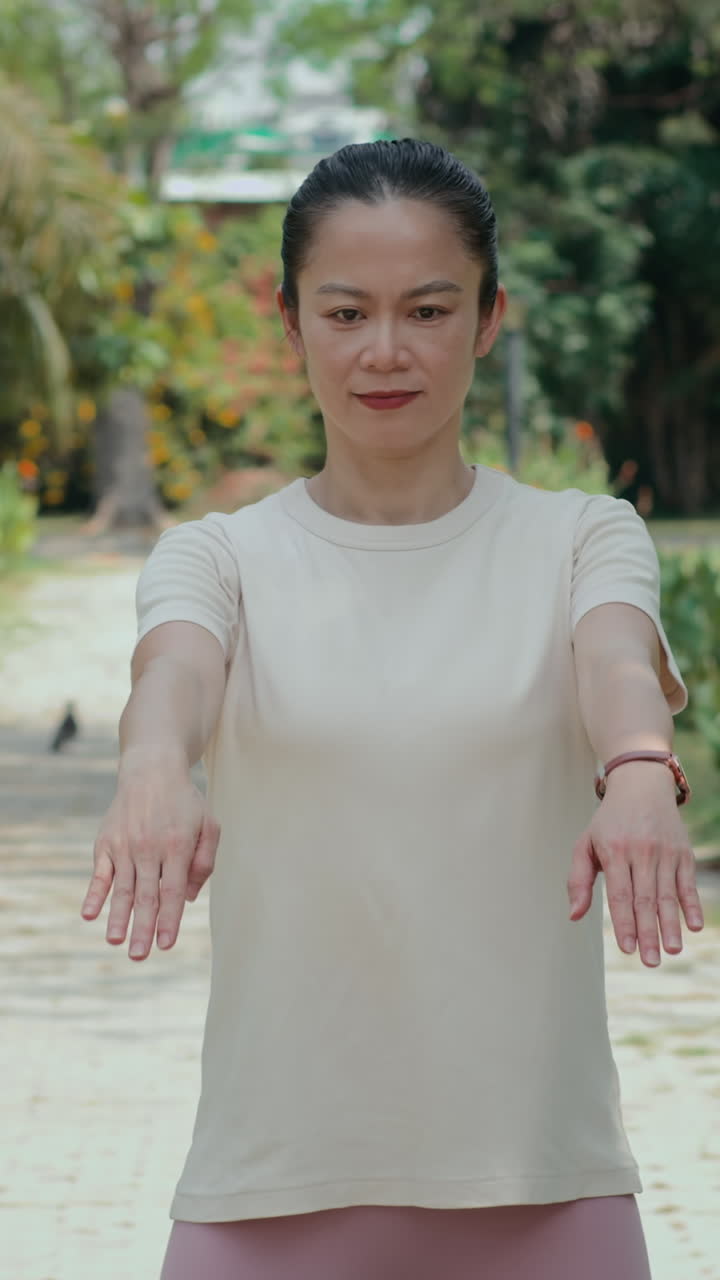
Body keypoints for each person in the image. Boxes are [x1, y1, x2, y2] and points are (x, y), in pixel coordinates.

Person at [81, 138, 705, 1279]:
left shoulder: (580, 536)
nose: (384, 350)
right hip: (268, 1192)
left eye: (427, 309)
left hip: (544, 1185)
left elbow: (617, 660)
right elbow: (170, 676)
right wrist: (153, 767)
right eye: (345, 312)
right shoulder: (220, 557)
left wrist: (636, 770)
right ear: (292, 323)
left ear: (488, 318)